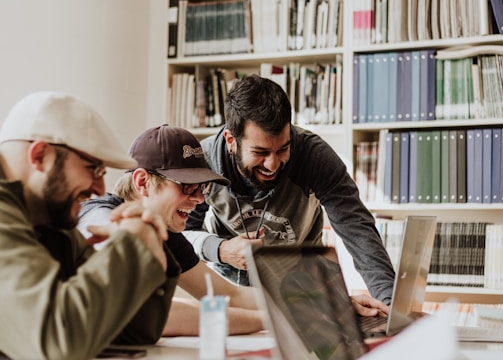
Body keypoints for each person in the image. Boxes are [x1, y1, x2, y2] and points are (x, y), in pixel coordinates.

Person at [184, 74, 396, 305]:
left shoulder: (314, 156)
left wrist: (389, 304)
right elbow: (182, 234)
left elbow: (358, 230)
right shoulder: (203, 163)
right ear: (231, 140)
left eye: (283, 149)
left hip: (304, 290)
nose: (272, 164)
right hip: (232, 294)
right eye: (260, 153)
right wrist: (221, 250)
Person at [0, 92, 180, 360]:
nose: (100, 189)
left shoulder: (51, 221)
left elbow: (132, 331)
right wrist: (133, 245)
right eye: (93, 169)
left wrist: (148, 241)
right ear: (40, 156)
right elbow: (58, 343)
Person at [78, 124, 264, 336]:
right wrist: (270, 321)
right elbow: (148, 312)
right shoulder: (98, 217)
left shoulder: (165, 233)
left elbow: (228, 295)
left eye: (202, 187)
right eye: (187, 186)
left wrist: (295, 305)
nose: (199, 199)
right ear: (142, 182)